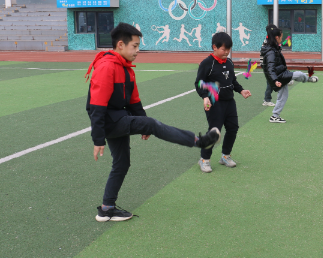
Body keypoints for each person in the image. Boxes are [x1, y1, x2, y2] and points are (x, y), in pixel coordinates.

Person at [86, 23, 220, 222]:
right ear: (120, 45)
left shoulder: (126, 68)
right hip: (108, 121)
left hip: (118, 117)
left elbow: (134, 100)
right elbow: (97, 106)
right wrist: (98, 139)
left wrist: (141, 121)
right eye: (135, 46)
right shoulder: (107, 67)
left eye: (139, 46)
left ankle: (106, 208)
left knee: (122, 163)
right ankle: (200, 142)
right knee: (152, 124)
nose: (138, 51)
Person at [195, 32, 252, 173]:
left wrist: (241, 90)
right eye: (224, 49)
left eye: (229, 49)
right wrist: (205, 97)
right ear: (215, 47)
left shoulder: (229, 62)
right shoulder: (207, 63)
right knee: (215, 132)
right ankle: (204, 159)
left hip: (229, 102)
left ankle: (225, 156)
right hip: (214, 103)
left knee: (233, 128)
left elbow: (232, 81)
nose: (226, 52)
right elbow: (199, 83)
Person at [261, 24, 318, 123]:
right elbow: (270, 68)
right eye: (281, 37)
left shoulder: (274, 46)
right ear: (277, 37)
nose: (282, 39)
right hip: (279, 76)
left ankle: (274, 116)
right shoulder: (271, 51)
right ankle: (306, 79)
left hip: (281, 73)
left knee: (283, 96)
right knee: (299, 74)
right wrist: (275, 80)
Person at [260, 37, 275, 107]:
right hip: (267, 65)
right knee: (270, 83)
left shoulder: (267, 41)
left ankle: (267, 99)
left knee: (270, 82)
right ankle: (267, 100)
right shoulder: (268, 41)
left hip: (266, 65)